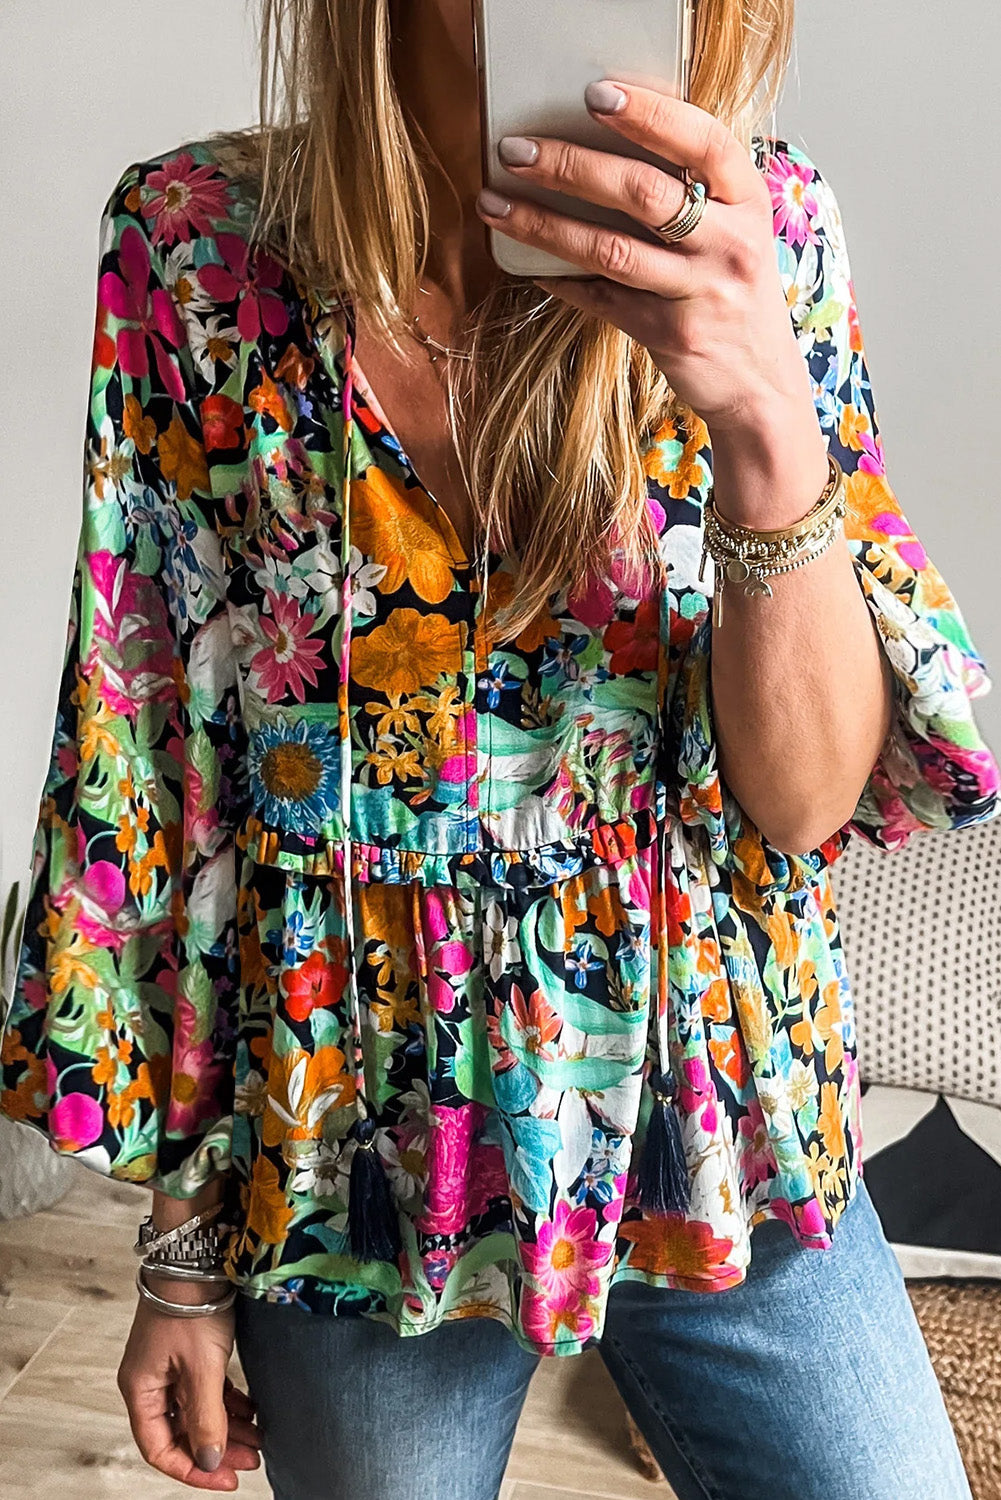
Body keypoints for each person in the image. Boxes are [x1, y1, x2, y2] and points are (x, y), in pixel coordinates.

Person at [1, 0, 998, 1494]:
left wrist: (761, 415)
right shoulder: (195, 247)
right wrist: (184, 1247)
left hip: (721, 1108)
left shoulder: (763, 226)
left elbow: (801, 807)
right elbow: (164, 769)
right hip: (358, 1148)